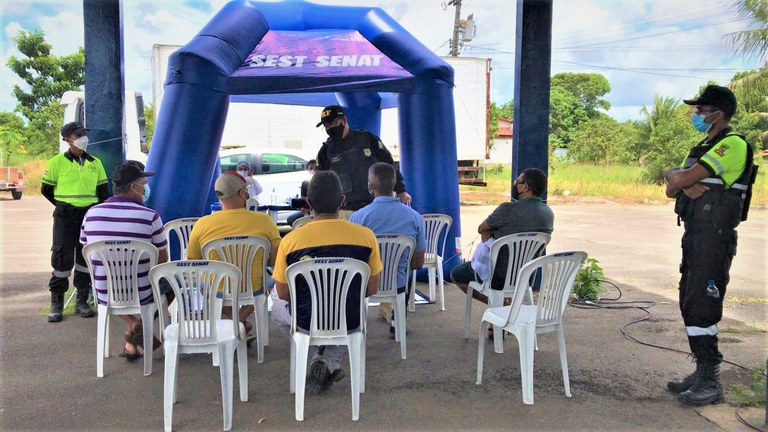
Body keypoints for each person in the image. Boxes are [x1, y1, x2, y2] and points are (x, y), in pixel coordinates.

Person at [664, 85, 756, 407]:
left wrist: (683, 179)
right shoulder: (701, 146)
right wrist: (680, 180)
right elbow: (672, 186)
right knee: (688, 301)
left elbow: (683, 178)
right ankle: (701, 373)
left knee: (703, 304)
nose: (697, 116)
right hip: (695, 234)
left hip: (714, 237)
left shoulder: (732, 144)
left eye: (701, 111)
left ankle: (710, 380)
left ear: (718, 113)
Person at [272, 170, 382, 394]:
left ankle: (315, 355)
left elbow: (283, 293)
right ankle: (324, 360)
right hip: (348, 317)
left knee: (275, 308)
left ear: (309, 202)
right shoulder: (366, 236)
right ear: (342, 201)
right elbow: (371, 288)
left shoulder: (291, 240)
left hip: (305, 318)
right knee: (353, 308)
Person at [80, 162, 169, 360]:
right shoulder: (150, 216)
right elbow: (162, 262)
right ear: (133, 188)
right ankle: (138, 327)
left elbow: (86, 249)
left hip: (104, 291)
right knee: (170, 285)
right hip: (141, 293)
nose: (146, 189)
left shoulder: (91, 214)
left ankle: (132, 331)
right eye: (144, 184)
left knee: (113, 284)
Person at [186, 171, 281, 341]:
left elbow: (194, 260)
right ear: (242, 193)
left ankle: (234, 322)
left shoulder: (203, 224)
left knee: (204, 286)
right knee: (271, 280)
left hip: (218, 288)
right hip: (254, 286)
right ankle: (240, 321)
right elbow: (276, 260)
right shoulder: (264, 221)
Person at [450, 168, 554, 305]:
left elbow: (481, 228)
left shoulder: (507, 209)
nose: (515, 185)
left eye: (517, 182)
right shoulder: (548, 214)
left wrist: (489, 231)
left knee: (456, 274)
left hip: (497, 277)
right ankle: (503, 311)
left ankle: (500, 306)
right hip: (526, 276)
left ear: (525, 187)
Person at [41, 121, 108, 322]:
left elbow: (103, 192)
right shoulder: (57, 162)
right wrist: (62, 205)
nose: (83, 138)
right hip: (65, 216)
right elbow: (46, 189)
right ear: (67, 139)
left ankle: (81, 301)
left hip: (87, 217)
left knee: (85, 258)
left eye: (83, 134)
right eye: (78, 135)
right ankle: (57, 304)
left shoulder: (95, 163)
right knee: (61, 259)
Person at [349, 162, 426, 337]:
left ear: (371, 186)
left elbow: (352, 260)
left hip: (366, 285)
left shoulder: (358, 217)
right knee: (407, 271)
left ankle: (353, 328)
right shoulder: (414, 217)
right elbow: (418, 262)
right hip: (398, 285)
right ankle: (398, 320)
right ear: (394, 184)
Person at [315, 105, 411, 219]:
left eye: (334, 123)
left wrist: (401, 191)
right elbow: (320, 182)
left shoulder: (367, 139)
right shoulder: (325, 151)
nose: (330, 128)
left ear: (344, 121)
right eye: (327, 125)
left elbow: (389, 166)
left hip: (374, 207)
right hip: (345, 211)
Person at [286, 159, 316, 227]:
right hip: (308, 210)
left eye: (315, 168)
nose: (313, 170)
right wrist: (303, 208)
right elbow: (303, 200)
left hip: (319, 211)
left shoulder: (324, 182)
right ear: (308, 170)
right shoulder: (305, 183)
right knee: (291, 219)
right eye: (311, 168)